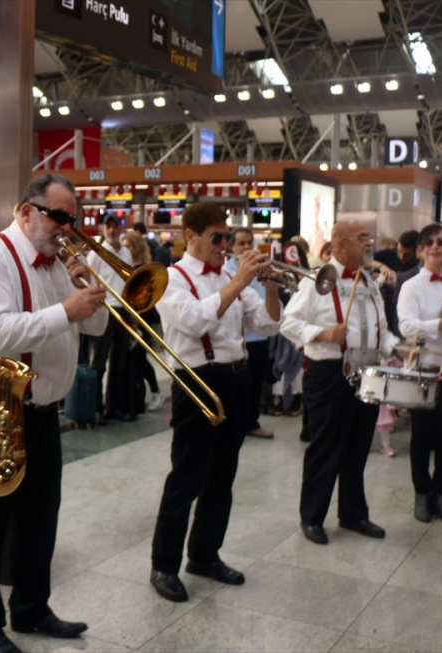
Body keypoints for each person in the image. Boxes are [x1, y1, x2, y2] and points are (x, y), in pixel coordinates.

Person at [0, 173, 108, 653]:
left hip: (43, 411)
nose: (67, 228)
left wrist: (90, 292)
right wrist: (67, 308)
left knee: (41, 518)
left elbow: (98, 326)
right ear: (26, 211)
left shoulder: (59, 263)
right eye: (58, 216)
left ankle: (31, 607)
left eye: (73, 219)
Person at [148, 204, 280, 603]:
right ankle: (163, 565)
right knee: (186, 477)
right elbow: (195, 321)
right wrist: (239, 282)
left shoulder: (227, 275)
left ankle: (204, 555)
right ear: (191, 237)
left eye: (228, 237)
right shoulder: (171, 278)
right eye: (217, 238)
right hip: (196, 382)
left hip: (237, 380)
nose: (225, 246)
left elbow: (268, 324)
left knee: (223, 476)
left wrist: (270, 285)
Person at [281, 222, 401, 546]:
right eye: (361, 239)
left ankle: (353, 514)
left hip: (367, 370)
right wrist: (323, 334)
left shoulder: (369, 282)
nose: (368, 244)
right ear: (339, 244)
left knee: (359, 444)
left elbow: (381, 327)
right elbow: (288, 322)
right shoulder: (317, 281)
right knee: (326, 447)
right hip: (329, 372)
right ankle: (312, 516)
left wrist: (395, 346)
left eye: (368, 237)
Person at [397, 224, 442, 523]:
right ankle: (421, 494)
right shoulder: (410, 286)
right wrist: (440, 325)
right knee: (421, 436)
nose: (435, 247)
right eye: (429, 243)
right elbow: (406, 326)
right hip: (423, 370)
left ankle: (441, 493)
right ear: (420, 250)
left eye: (441, 242)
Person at [225, 227, 274, 438]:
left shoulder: (259, 268)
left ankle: (251, 423)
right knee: (237, 386)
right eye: (241, 243)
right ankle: (235, 423)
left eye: (249, 243)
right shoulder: (227, 271)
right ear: (231, 246)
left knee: (256, 381)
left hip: (260, 335)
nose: (246, 248)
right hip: (239, 338)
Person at [88, 214, 136, 422]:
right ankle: (96, 408)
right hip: (105, 310)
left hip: (123, 309)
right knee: (99, 362)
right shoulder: (96, 253)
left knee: (120, 362)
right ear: (103, 229)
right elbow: (89, 282)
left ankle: (113, 408)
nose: (112, 230)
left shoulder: (126, 252)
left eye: (115, 226)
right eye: (108, 227)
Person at [122, 230, 164, 412]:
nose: (125, 249)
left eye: (128, 246)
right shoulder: (126, 263)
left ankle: (155, 391)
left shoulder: (142, 268)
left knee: (140, 358)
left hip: (141, 318)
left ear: (136, 247)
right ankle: (138, 395)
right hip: (131, 317)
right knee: (137, 359)